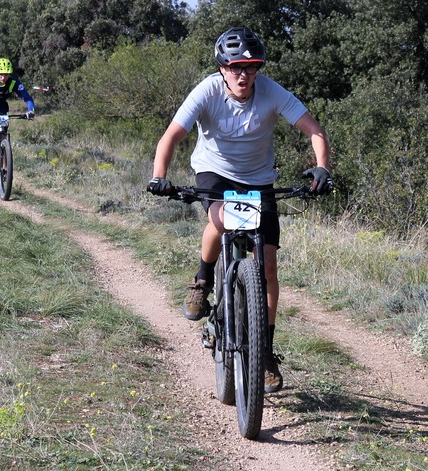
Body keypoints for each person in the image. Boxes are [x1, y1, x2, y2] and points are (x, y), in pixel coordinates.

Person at [147, 27, 333, 393]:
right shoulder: (207, 91)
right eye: (235, 67)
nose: (243, 74)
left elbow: (314, 130)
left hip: (259, 179)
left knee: (268, 265)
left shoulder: (271, 92)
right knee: (221, 218)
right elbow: (172, 136)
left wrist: (322, 167)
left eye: (250, 67)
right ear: (222, 68)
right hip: (214, 173)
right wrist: (159, 176)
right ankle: (203, 280)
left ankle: (264, 352)